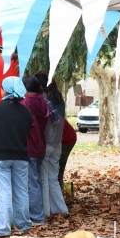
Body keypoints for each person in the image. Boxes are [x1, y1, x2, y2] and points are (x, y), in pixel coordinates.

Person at [0, 77, 32, 237]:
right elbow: (28, 131)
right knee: (21, 191)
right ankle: (23, 225)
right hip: (21, 156)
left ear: (5, 90)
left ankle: (2, 227)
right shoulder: (26, 111)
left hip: (0, 156)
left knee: (3, 191)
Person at [21, 74, 49, 226]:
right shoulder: (42, 101)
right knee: (36, 181)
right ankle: (38, 213)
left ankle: (36, 216)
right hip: (40, 145)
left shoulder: (27, 103)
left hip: (29, 146)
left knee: (31, 183)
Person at [41, 75, 68, 217]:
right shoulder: (60, 101)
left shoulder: (44, 101)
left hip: (46, 143)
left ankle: (45, 211)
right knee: (53, 178)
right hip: (57, 144)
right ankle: (61, 209)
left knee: (44, 179)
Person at [58, 118, 77, 191]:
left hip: (66, 140)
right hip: (64, 138)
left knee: (57, 172)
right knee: (57, 171)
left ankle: (60, 197)